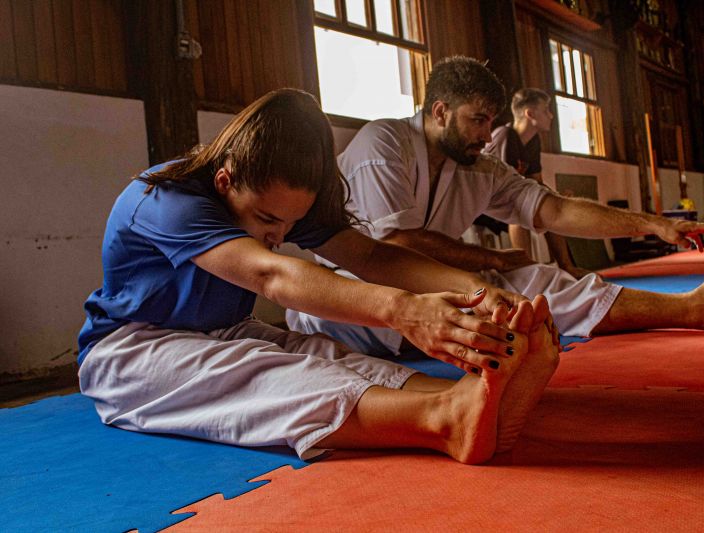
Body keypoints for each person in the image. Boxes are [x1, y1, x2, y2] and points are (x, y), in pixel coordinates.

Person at [77, 89, 560, 465]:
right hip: (130, 350)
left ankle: (473, 397)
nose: (278, 235)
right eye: (268, 221)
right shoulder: (166, 198)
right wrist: (405, 311)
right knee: (269, 374)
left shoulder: (273, 201)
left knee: (325, 354)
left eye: (290, 225)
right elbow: (271, 275)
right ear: (225, 181)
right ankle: (443, 420)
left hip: (225, 330)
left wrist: (477, 290)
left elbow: (371, 256)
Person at [287, 56, 704, 358]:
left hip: (438, 290)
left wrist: (653, 225)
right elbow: (397, 244)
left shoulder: (479, 167)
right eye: (477, 120)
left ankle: (696, 309)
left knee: (535, 281)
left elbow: (555, 210)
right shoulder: (383, 143)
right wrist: (491, 259)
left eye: (492, 122)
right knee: (500, 280)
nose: (488, 135)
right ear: (440, 111)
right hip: (354, 298)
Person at [482, 88, 592, 279]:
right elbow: (507, 190)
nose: (551, 115)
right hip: (484, 205)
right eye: (546, 110)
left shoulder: (533, 141)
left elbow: (537, 182)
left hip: (507, 200)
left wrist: (556, 198)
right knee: (521, 207)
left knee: (549, 205)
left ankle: (566, 266)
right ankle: (526, 271)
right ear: (530, 114)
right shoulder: (505, 135)